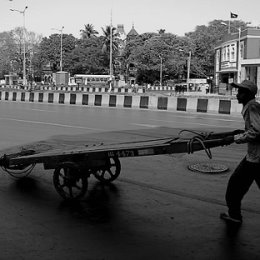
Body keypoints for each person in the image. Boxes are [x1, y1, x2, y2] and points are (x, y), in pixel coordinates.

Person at [220, 80, 260, 224]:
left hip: (255, 158)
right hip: (255, 156)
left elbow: (256, 131)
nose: (237, 95)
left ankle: (234, 216)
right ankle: (234, 214)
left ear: (248, 94)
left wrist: (234, 138)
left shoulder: (252, 107)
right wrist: (241, 132)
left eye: (240, 92)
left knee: (234, 187)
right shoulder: (251, 106)